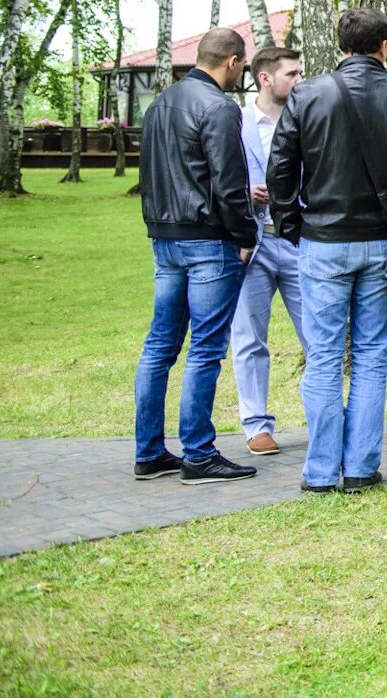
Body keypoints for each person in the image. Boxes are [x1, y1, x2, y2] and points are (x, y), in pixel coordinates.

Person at [268, 8, 387, 493]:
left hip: (322, 238)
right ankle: (360, 467)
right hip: (382, 240)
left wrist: (290, 222)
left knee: (323, 357)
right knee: (369, 355)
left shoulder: (307, 94)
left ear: (340, 45)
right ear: (384, 45)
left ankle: (321, 471)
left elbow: (281, 168)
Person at [132, 26, 258, 485]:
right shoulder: (220, 108)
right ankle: (199, 454)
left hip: (165, 236)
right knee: (205, 347)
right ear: (232, 61)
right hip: (208, 238)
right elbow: (228, 179)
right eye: (242, 65)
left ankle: (148, 451)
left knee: (159, 345)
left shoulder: (160, 103)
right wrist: (246, 233)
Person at [229, 45, 306, 457]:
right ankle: (256, 424)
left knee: (316, 334)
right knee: (249, 339)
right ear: (265, 78)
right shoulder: (235, 121)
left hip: (298, 243)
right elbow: (215, 175)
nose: (298, 80)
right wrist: (245, 195)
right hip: (252, 246)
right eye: (291, 74)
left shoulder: (308, 119)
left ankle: (325, 415)